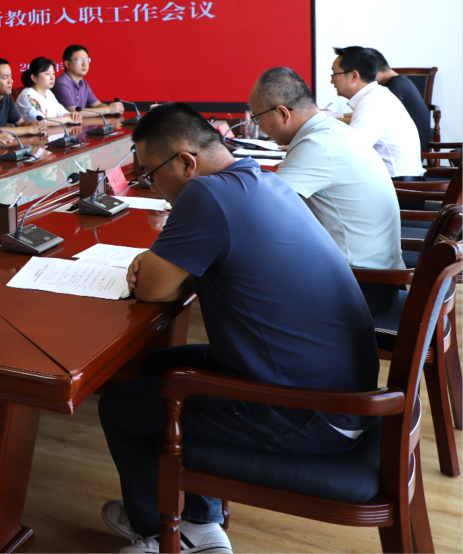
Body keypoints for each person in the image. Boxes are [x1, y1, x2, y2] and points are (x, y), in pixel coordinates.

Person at [99, 103, 378, 554]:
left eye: (150, 174)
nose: (151, 187)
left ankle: (158, 533)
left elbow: (154, 288)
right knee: (159, 366)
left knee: (119, 405)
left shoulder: (205, 195)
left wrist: (150, 263)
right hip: (339, 391)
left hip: (309, 412)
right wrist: (163, 266)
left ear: (185, 162)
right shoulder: (262, 179)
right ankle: (200, 522)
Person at [248, 67, 404, 315]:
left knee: (239, 272)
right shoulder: (332, 131)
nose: (259, 126)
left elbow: (259, 208)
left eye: (257, 118)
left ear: (283, 113)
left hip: (360, 287)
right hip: (377, 277)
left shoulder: (318, 144)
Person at [329, 46, 424, 178]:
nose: (331, 80)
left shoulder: (372, 102)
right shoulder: (376, 96)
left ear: (354, 76)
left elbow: (350, 151)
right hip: (393, 181)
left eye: (334, 74)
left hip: (398, 185)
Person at [368, 48, 431, 153]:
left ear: (372, 72)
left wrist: (339, 118)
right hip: (412, 148)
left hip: (410, 152)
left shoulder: (394, 87)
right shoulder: (400, 81)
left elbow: (373, 118)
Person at [0, 58, 44, 136]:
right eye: (5, 78)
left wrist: (36, 125)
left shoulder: (5, 95)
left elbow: (20, 123)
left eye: (10, 76)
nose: (11, 81)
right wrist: (30, 129)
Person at [56, 45, 123, 114]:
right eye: (80, 60)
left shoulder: (83, 82)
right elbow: (74, 111)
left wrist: (115, 109)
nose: (85, 64)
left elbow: (97, 105)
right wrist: (108, 110)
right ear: (67, 64)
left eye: (86, 60)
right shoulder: (61, 83)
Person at [15, 56, 80, 123]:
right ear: (34, 78)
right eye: (47, 74)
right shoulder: (27, 96)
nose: (52, 77)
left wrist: (72, 115)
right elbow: (41, 121)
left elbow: (61, 112)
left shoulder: (48, 93)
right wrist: (69, 119)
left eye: (53, 73)